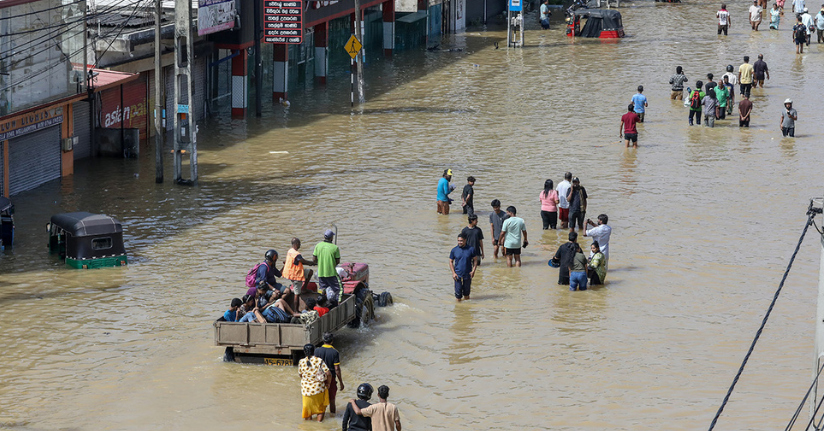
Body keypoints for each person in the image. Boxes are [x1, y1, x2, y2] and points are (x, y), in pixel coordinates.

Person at [299, 343, 331, 422]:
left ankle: (310, 426)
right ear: (314, 351)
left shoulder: (301, 362)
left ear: (304, 352)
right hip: (319, 389)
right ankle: (319, 424)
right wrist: (328, 383)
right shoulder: (319, 361)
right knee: (321, 409)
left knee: (308, 411)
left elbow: (300, 374)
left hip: (306, 391)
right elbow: (328, 373)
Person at [315, 333, 344, 415]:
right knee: (332, 400)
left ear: (323, 340)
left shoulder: (317, 351)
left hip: (319, 379)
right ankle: (332, 417)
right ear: (332, 341)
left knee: (320, 400)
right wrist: (341, 382)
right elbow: (337, 369)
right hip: (331, 379)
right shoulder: (335, 352)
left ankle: (319, 418)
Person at [312, 229, 342, 307]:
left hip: (321, 273)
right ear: (331, 238)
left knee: (323, 289)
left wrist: (321, 263)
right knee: (339, 289)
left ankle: (321, 305)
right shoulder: (335, 247)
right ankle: (338, 304)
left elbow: (314, 260)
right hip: (331, 273)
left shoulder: (318, 245)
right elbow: (337, 261)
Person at [284, 237, 316, 311]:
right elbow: (303, 261)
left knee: (310, 272)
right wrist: (312, 263)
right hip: (295, 275)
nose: (300, 246)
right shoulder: (296, 253)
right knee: (297, 293)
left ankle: (304, 289)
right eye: (299, 244)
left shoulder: (290, 251)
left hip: (292, 273)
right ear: (296, 244)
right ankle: (296, 310)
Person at [449, 232, 477, 301]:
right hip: (457, 275)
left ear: (465, 240)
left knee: (466, 295)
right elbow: (450, 261)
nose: (459, 242)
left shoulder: (471, 249)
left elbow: (475, 260)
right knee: (458, 296)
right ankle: (458, 310)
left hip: (467, 274)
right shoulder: (454, 250)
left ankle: (466, 310)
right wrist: (453, 273)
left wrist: (473, 271)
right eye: (458, 241)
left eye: (461, 241)